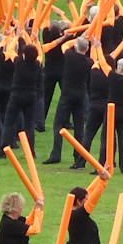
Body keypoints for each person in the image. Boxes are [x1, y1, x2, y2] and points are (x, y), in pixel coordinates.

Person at [43, 37, 91, 165]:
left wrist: (79, 38)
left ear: (75, 47)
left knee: (58, 125)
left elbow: (65, 45)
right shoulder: (89, 62)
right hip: (81, 95)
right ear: (87, 49)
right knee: (79, 127)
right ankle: (78, 156)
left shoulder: (69, 56)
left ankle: (56, 154)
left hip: (67, 95)